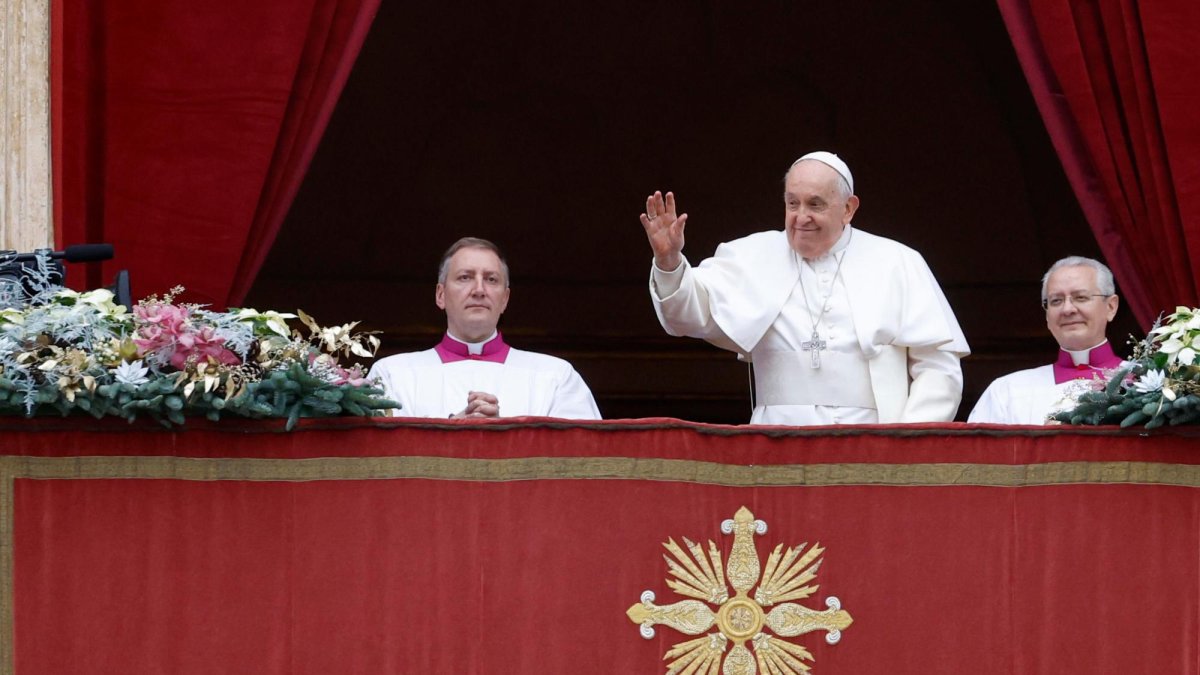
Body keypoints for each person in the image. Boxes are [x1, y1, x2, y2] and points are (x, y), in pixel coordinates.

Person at [641, 151, 969, 425]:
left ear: (849, 208)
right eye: (792, 203)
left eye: (815, 205)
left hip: (871, 452)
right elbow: (686, 315)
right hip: (775, 448)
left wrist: (906, 445)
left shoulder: (897, 261)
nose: (801, 217)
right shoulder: (751, 256)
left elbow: (938, 368)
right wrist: (669, 262)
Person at [368, 237, 601, 419]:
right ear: (440, 295)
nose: (479, 290)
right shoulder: (392, 376)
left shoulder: (556, 377)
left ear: (505, 299)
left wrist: (503, 437)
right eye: (465, 277)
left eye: (491, 279)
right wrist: (448, 432)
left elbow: (582, 462)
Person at [969, 256, 1123, 424]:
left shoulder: (1147, 383)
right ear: (1047, 315)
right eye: (1056, 301)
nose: (1067, 309)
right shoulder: (1006, 392)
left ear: (1111, 306)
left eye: (1081, 297)